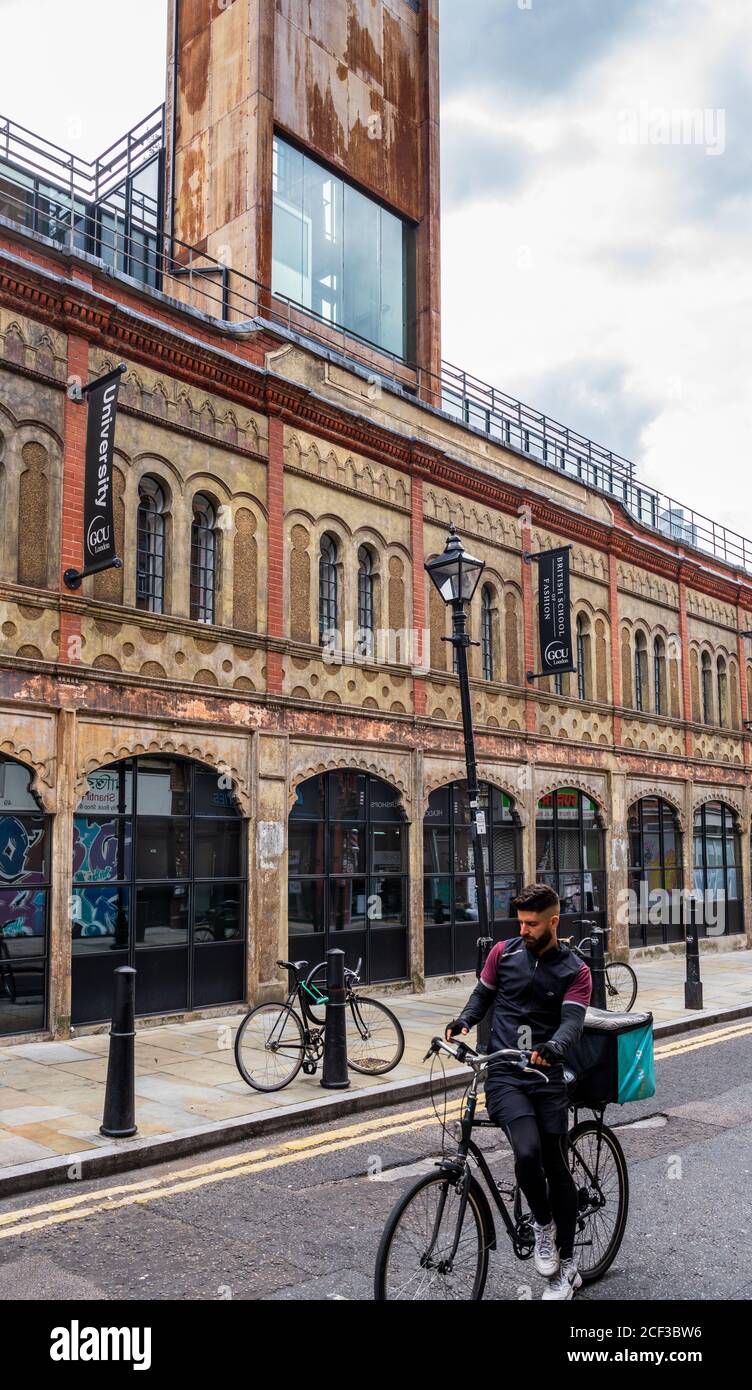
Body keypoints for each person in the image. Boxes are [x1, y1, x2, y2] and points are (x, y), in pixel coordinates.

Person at [445, 882, 592, 1300]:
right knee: (526, 1153)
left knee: (554, 1163)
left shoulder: (575, 971)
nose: (524, 930)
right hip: (506, 1071)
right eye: (521, 922)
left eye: (532, 924)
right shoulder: (503, 953)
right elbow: (483, 995)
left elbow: (572, 1022)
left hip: (546, 1077)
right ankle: (544, 1224)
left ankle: (567, 1267)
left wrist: (554, 1046)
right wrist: (464, 1021)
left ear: (553, 922)